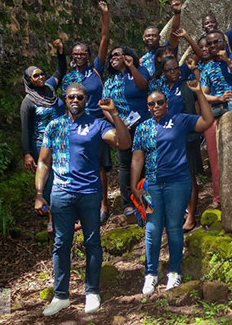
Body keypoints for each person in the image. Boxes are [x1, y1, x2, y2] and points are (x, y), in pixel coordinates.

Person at [34, 84, 131, 316]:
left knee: (92, 242)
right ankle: (61, 296)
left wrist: (114, 113)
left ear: (86, 99)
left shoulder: (97, 124)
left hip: (89, 192)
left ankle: (92, 292)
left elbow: (124, 142)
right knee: (61, 244)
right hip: (60, 192)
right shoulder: (54, 126)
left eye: (79, 96)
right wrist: (39, 194)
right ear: (65, 99)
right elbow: (43, 162)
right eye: (71, 97)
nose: (75, 100)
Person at [131, 82, 213, 294]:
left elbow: (207, 121)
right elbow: (137, 158)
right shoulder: (143, 128)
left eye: (159, 102)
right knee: (152, 228)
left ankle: (174, 271)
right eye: (151, 104)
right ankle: (150, 273)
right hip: (151, 185)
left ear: (167, 103)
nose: (156, 106)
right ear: (147, 107)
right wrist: (134, 186)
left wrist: (198, 94)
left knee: (174, 227)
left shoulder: (179, 120)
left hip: (178, 182)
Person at [60, 0, 112, 223]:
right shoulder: (68, 78)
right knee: (78, 163)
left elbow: (105, 39)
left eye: (83, 53)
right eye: (76, 54)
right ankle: (79, 204)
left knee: (99, 165)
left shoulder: (96, 70)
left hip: (95, 121)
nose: (79, 56)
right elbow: (64, 101)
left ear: (88, 55)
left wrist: (104, 15)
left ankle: (103, 203)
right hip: (73, 124)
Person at [150, 55, 204, 229]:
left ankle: (191, 215)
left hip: (187, 136)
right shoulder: (162, 90)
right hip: (168, 138)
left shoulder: (187, 84)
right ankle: (179, 212)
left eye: (176, 68)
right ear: (163, 72)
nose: (173, 72)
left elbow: (198, 98)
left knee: (189, 175)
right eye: (169, 70)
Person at [21, 39, 66, 232]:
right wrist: (27, 153)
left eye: (41, 73)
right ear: (29, 80)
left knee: (65, 174)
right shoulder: (28, 102)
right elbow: (25, 129)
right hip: (42, 143)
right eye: (35, 75)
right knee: (49, 179)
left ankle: (67, 212)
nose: (39, 77)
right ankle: (51, 217)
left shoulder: (49, 88)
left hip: (63, 139)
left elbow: (61, 71)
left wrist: (60, 51)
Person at [102, 46, 150, 218]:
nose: (112, 58)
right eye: (110, 56)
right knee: (125, 163)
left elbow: (143, 86)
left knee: (145, 160)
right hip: (123, 127)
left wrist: (132, 67)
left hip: (143, 123)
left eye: (116, 54)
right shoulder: (109, 81)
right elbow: (105, 106)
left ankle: (146, 197)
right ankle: (128, 202)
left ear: (126, 56)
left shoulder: (139, 70)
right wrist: (118, 122)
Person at [201, 30, 232, 209]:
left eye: (217, 42)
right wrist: (219, 98)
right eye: (210, 44)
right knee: (215, 157)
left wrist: (229, 62)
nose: (213, 46)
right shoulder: (207, 68)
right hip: (216, 114)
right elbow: (203, 94)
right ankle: (218, 197)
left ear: (224, 42)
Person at [139, 0, 182, 77]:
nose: (151, 38)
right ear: (143, 38)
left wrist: (177, 12)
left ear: (159, 37)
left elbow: (174, 30)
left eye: (154, 35)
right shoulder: (142, 60)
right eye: (148, 36)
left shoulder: (167, 50)